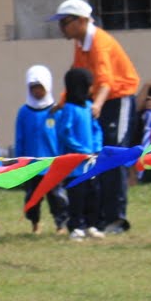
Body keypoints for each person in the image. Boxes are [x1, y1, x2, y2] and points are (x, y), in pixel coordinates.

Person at [51, 0, 141, 234]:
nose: (61, 27)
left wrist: (97, 104)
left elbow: (106, 81)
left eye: (65, 22)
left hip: (117, 98)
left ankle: (116, 219)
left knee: (114, 154)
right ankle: (99, 218)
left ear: (81, 21)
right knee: (98, 156)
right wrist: (61, 103)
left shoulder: (99, 42)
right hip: (98, 102)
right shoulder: (81, 43)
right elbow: (79, 76)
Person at [15, 65, 68, 235]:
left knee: (56, 197)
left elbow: (61, 136)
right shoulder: (24, 112)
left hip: (52, 164)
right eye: (33, 88)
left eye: (40, 88)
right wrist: (19, 161)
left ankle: (61, 224)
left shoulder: (56, 111)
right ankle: (35, 223)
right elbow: (20, 138)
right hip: (32, 165)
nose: (37, 92)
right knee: (33, 197)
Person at [56, 68, 104, 240]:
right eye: (89, 85)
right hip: (75, 164)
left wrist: (97, 148)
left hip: (92, 162)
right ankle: (75, 226)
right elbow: (64, 133)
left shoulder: (90, 107)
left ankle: (91, 224)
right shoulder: (69, 109)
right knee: (77, 196)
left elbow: (96, 129)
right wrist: (82, 150)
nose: (92, 89)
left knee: (93, 194)